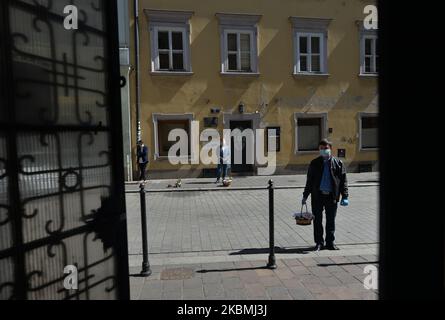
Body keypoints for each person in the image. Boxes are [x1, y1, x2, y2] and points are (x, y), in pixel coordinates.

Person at [302, 139, 349, 251]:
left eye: (326, 148)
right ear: (319, 150)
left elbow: (343, 181)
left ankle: (330, 243)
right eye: (321, 148)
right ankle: (319, 243)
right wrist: (305, 196)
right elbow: (309, 181)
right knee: (317, 220)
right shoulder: (314, 163)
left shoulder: (338, 163)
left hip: (331, 196)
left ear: (330, 149)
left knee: (330, 220)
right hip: (317, 196)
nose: (324, 150)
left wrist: (345, 196)